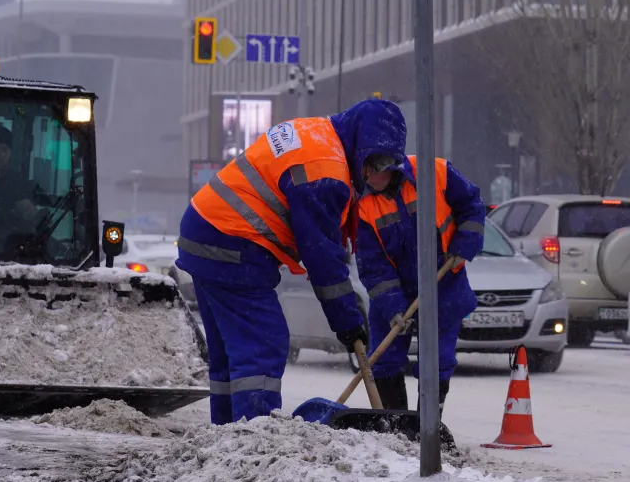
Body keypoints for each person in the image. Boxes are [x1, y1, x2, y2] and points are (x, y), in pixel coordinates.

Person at [177, 99, 407, 425]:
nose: (373, 174)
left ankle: (227, 439)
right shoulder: (325, 172)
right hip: (233, 241)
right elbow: (322, 255)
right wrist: (347, 321)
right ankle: (253, 441)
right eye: (374, 161)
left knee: (231, 354)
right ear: (360, 140)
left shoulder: (317, 132)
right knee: (263, 345)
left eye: (386, 167)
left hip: (206, 231)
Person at [355, 155, 487, 412]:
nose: (366, 180)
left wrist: (465, 243)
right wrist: (392, 306)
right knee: (384, 360)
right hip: (393, 290)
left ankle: (428, 428)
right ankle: (396, 427)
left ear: (387, 167)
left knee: (436, 361)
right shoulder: (363, 204)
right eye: (362, 174)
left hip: (443, 283)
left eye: (370, 173)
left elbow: (472, 206)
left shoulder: (435, 172)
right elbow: (372, 264)